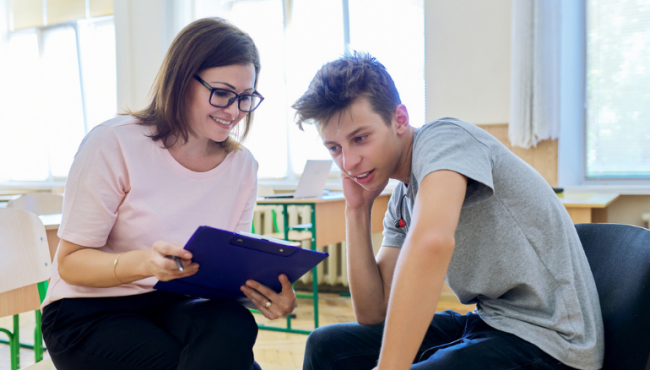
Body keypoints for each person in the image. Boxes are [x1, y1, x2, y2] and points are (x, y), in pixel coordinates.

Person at [292, 53, 604, 370]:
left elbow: (432, 242)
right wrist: (356, 210)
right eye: (334, 148)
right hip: (490, 321)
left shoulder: (444, 139)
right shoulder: (403, 196)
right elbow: (373, 311)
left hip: (550, 338)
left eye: (360, 138)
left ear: (399, 119)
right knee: (326, 345)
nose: (348, 161)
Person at [41, 17, 297, 370]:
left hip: (172, 305)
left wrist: (264, 296)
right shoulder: (113, 143)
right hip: (88, 313)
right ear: (181, 81)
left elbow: (221, 274)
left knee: (235, 322)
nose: (235, 111)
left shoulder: (242, 167)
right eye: (222, 93)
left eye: (245, 98)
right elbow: (70, 263)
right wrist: (145, 263)